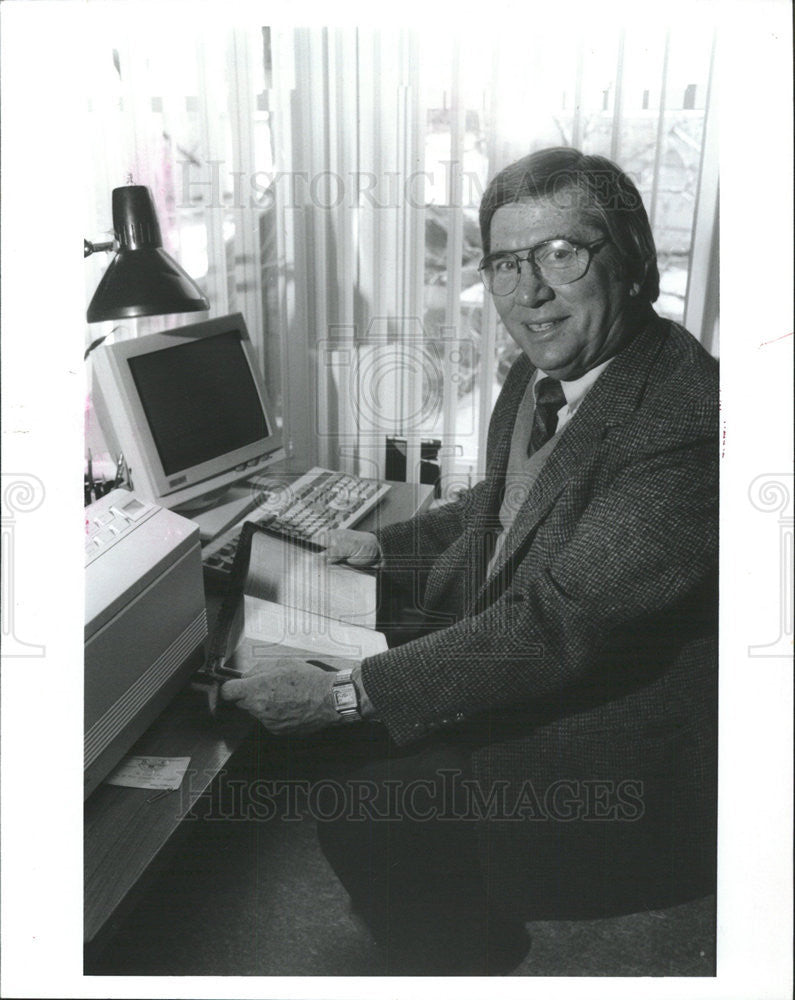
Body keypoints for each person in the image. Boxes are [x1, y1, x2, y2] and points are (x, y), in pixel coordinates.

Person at [220, 147, 719, 975]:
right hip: (535, 651)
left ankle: (463, 955)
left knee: (364, 802)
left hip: (612, 747)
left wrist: (346, 698)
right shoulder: (542, 368)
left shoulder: (687, 419)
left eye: (561, 254)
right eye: (505, 264)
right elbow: (496, 506)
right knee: (333, 666)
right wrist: (382, 547)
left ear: (631, 260)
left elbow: (555, 628)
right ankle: (442, 912)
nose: (527, 295)